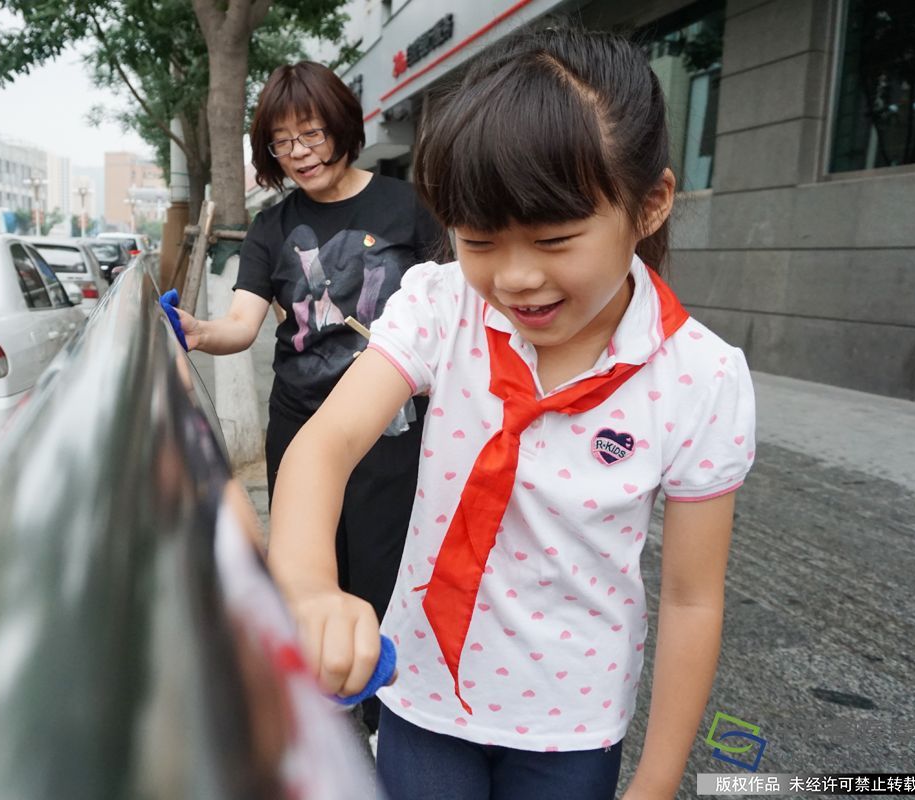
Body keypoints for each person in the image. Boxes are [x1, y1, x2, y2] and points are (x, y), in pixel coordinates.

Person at [266, 28, 756, 800]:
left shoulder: (700, 377)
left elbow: (693, 598)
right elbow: (326, 442)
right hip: (423, 692)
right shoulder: (443, 307)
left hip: (573, 722)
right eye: (480, 240)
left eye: (555, 239)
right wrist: (307, 586)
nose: (517, 278)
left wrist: (658, 781)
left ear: (650, 205)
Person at [175, 61, 445, 731]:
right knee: (312, 566)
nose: (299, 153)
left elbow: (454, 305)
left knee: (385, 566)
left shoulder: (410, 206)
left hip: (390, 427)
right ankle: (325, 710)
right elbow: (242, 323)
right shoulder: (272, 227)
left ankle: (387, 714)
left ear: (343, 127)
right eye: (282, 142)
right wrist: (198, 332)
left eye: (312, 134)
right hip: (299, 423)